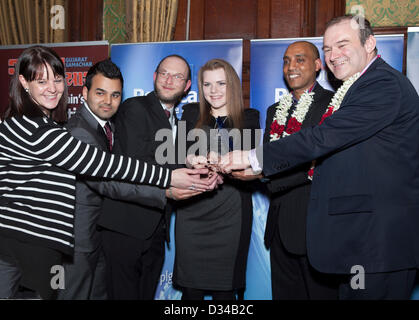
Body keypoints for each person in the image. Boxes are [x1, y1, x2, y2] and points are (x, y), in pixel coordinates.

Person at [220, 15, 419, 300]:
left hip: (377, 246)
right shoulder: (359, 85)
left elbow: (322, 138)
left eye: (342, 45)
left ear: (370, 43)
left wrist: (254, 157)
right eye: (327, 49)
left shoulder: (382, 85)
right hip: (361, 244)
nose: (333, 56)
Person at [0, 46, 211, 300]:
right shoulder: (37, 130)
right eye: (41, 81)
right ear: (23, 82)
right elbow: (104, 165)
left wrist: (185, 162)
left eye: (57, 79)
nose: (52, 88)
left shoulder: (46, 125)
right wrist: (168, 180)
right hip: (27, 245)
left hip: (49, 243)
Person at [58, 59, 175, 299]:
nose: (107, 101)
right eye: (100, 93)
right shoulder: (80, 131)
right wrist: (164, 192)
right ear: (84, 92)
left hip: (99, 236)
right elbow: (106, 182)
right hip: (78, 240)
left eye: (115, 95)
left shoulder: (107, 126)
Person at [97, 54, 209, 300]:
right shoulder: (135, 108)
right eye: (164, 73)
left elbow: (176, 159)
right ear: (155, 77)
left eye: (177, 76)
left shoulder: (178, 122)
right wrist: (179, 173)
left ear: (187, 86)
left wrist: (201, 165)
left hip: (156, 228)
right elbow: (138, 162)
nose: (169, 80)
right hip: (124, 227)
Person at [173, 58, 260, 300]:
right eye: (208, 84)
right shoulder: (191, 113)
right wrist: (193, 159)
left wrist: (222, 161)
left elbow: (254, 164)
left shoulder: (250, 118)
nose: (214, 91)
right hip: (193, 210)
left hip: (231, 214)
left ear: (232, 85)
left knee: (224, 292)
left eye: (221, 83)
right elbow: (178, 155)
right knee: (191, 291)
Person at [263, 41, 338, 299]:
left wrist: (265, 175)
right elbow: (267, 158)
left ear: (318, 65)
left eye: (299, 59)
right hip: (279, 231)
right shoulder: (274, 111)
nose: (291, 67)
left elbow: (321, 166)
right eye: (286, 61)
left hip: (316, 230)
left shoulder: (333, 105)